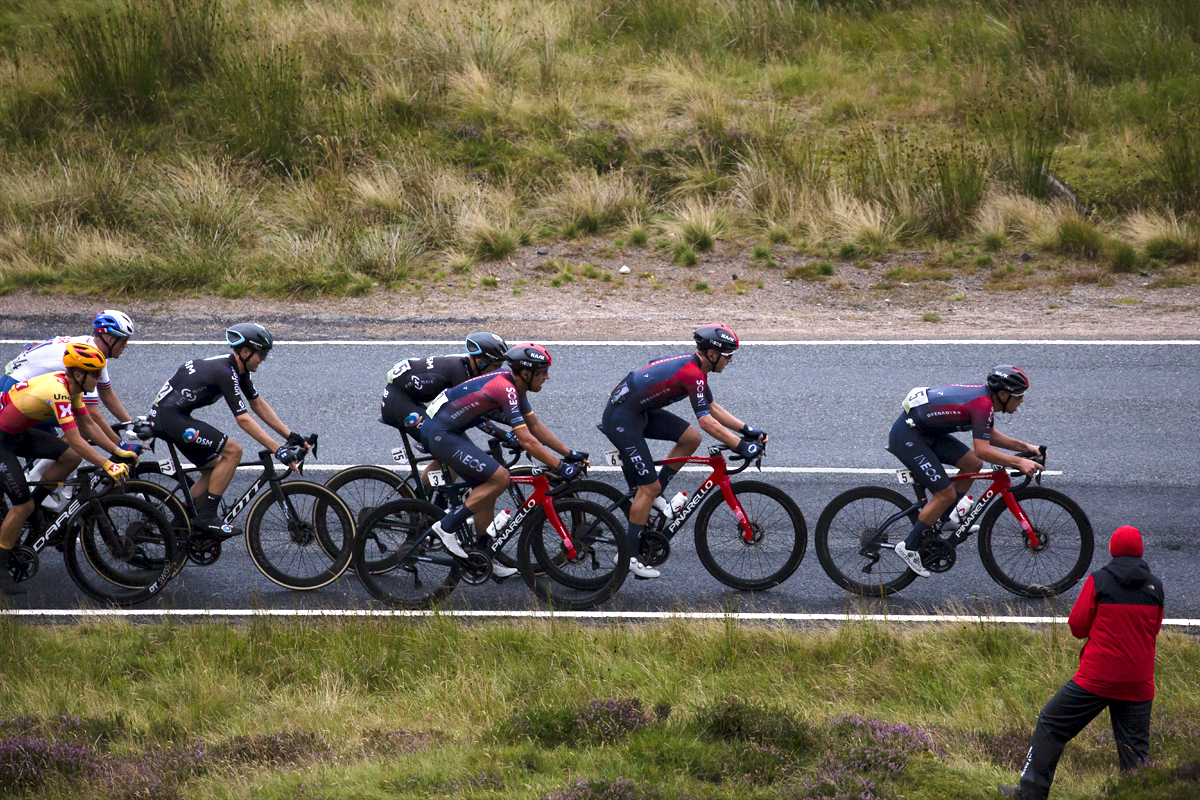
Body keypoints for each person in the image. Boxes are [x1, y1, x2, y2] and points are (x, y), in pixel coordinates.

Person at [999, 526, 1164, 799]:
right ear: (1140, 551)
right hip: (1139, 683)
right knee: (1136, 752)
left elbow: (1077, 626)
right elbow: (1154, 629)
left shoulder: (1099, 580)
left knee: (1051, 724)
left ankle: (1030, 793)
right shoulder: (1155, 586)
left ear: (1112, 550)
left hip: (1096, 678)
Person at [599, 324, 767, 580]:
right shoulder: (693, 374)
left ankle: (655, 493)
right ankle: (628, 555)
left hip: (636, 412)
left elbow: (711, 408)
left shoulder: (697, 368)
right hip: (622, 419)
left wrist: (748, 430)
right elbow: (707, 421)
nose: (731, 360)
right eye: (728, 354)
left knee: (691, 438)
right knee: (648, 487)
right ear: (712, 354)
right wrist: (741, 446)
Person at [419, 343, 586, 573]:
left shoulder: (516, 386)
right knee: (500, 478)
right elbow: (527, 440)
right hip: (440, 433)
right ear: (526, 373)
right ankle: (446, 527)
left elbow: (534, 426)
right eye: (543, 372)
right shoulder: (505, 388)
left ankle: (483, 552)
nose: (547, 377)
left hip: (449, 430)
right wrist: (559, 467)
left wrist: (568, 454)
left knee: (489, 484)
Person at [146, 323, 306, 538]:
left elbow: (257, 404)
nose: (264, 359)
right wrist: (278, 449)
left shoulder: (236, 368)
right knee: (233, 451)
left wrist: (289, 435)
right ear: (246, 352)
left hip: (173, 416)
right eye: (262, 354)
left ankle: (177, 522)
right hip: (169, 418)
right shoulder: (225, 372)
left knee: (214, 471)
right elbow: (243, 420)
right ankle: (207, 517)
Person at [887, 364, 1043, 578]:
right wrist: (1019, 463)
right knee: (945, 494)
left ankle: (943, 517)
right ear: (1004, 395)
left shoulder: (986, 402)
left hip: (925, 432)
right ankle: (909, 546)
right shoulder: (982, 404)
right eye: (1019, 396)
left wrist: (1026, 448)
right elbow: (983, 450)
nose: (1022, 401)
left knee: (971, 464)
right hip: (908, 437)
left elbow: (988, 434)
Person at [0, 343, 131, 594]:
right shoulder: (58, 391)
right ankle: (1, 565)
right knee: (22, 505)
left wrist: (119, 450)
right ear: (79, 374)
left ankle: (35, 508)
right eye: (95, 373)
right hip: (1, 440)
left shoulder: (73, 387)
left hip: (15, 433)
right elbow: (76, 438)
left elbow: (88, 425)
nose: (99, 377)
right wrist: (107, 463)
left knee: (70, 458)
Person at [380, 331, 509, 486]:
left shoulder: (468, 367)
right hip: (398, 402)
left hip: (407, 396)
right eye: (496, 366)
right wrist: (506, 435)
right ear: (480, 362)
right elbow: (478, 417)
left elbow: (489, 408)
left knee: (451, 448)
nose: (497, 371)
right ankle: (415, 505)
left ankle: (434, 505)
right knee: (453, 447)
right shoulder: (460, 372)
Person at [1, 310, 138, 453]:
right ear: (110, 339)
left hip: (19, 384)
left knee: (55, 444)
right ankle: (44, 472)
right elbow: (92, 414)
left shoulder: (90, 349)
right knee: (82, 427)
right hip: (15, 392)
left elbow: (107, 393)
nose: (126, 345)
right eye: (124, 340)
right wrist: (120, 446)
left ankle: (41, 471)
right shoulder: (88, 358)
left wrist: (131, 423)